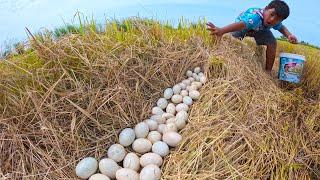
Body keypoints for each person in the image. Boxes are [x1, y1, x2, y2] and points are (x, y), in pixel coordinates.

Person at [206, 0, 298, 74]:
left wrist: (289, 35)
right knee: (231, 41)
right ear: (266, 9)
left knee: (272, 42)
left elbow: (281, 27)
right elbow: (242, 25)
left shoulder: (274, 23)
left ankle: (268, 71)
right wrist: (221, 31)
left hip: (259, 30)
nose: (272, 19)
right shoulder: (255, 17)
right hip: (242, 26)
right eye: (271, 14)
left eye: (277, 19)